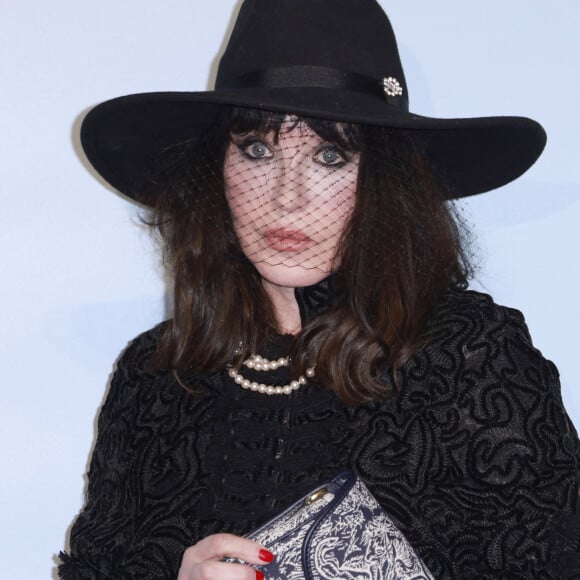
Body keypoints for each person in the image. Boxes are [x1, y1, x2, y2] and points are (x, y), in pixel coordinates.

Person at [58, 0, 580, 578]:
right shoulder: (156, 375)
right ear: (216, 172)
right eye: (258, 150)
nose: (287, 197)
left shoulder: (470, 356)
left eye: (330, 156)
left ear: (383, 182)